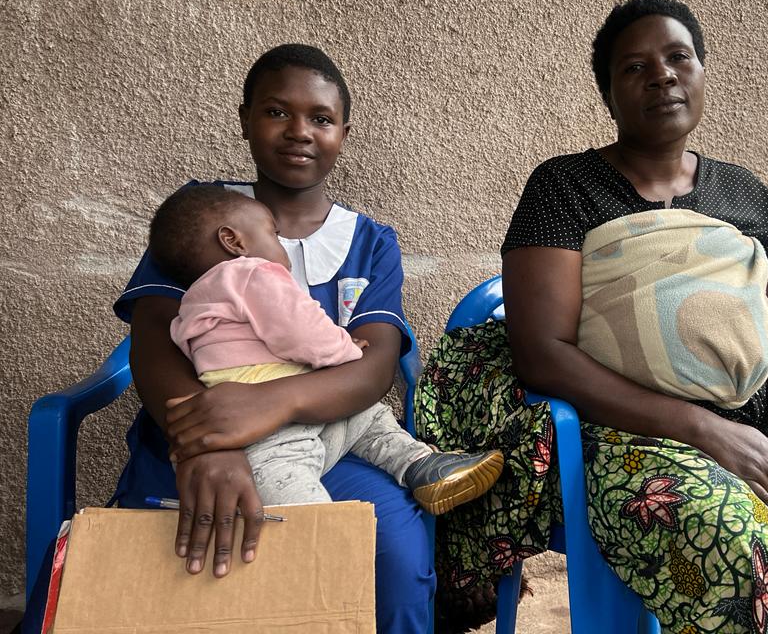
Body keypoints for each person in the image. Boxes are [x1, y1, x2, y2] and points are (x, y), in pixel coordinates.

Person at [416, 0, 768, 633]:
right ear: (608, 93)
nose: (662, 75)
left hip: (764, 425)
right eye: (635, 67)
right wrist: (707, 431)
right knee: (738, 542)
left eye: (677, 58)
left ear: (700, 72)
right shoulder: (563, 187)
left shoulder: (744, 192)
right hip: (626, 436)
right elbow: (543, 352)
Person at [112, 44, 436, 632]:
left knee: (395, 557)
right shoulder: (204, 217)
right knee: (138, 572)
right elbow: (153, 339)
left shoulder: (370, 243)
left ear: (344, 132)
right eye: (276, 112)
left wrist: (274, 402)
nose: (298, 132)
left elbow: (374, 365)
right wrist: (210, 444)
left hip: (330, 439)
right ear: (244, 119)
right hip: (192, 433)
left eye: (320, 118)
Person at [148, 184, 503, 511]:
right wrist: (345, 348)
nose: (281, 242)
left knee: (366, 418)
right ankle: (415, 467)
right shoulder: (251, 273)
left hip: (274, 427)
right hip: (269, 437)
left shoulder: (193, 305)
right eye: (273, 233)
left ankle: (420, 465)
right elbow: (299, 329)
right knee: (310, 510)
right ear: (234, 242)